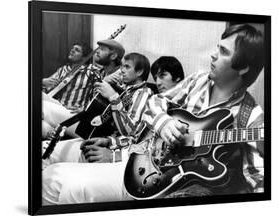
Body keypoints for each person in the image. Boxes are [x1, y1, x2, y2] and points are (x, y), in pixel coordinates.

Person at [42, 24, 264, 204]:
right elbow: (156, 102)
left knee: (55, 179)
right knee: (47, 155)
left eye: (224, 51)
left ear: (243, 67)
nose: (214, 54)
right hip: (137, 152)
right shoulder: (198, 80)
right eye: (217, 47)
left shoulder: (251, 117)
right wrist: (164, 122)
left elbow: (258, 179)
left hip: (157, 178)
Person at [42, 53, 154, 204]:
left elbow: (131, 132)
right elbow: (98, 110)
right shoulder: (125, 90)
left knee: (62, 180)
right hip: (100, 140)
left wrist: (113, 97)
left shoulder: (144, 94)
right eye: (121, 66)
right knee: (44, 153)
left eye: (127, 67)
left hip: (112, 152)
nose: (121, 70)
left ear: (140, 72)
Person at [42, 39, 125, 138]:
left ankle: (53, 135)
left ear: (113, 56)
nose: (97, 51)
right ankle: (52, 135)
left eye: (102, 49)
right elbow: (94, 100)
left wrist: (85, 110)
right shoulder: (101, 73)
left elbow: (114, 112)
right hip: (82, 116)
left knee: (42, 106)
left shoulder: (120, 76)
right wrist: (84, 108)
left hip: (91, 126)